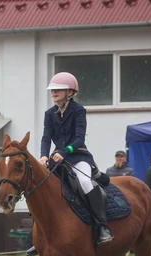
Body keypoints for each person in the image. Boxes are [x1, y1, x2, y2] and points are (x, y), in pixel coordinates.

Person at [39, 71, 113, 244]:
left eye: (58, 90)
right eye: (52, 90)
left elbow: (79, 138)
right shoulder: (49, 114)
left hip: (78, 156)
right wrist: (43, 156)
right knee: (42, 186)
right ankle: (39, 236)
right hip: (57, 159)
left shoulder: (79, 110)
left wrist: (65, 151)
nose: (53, 93)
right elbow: (46, 137)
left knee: (85, 182)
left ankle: (103, 227)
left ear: (70, 92)